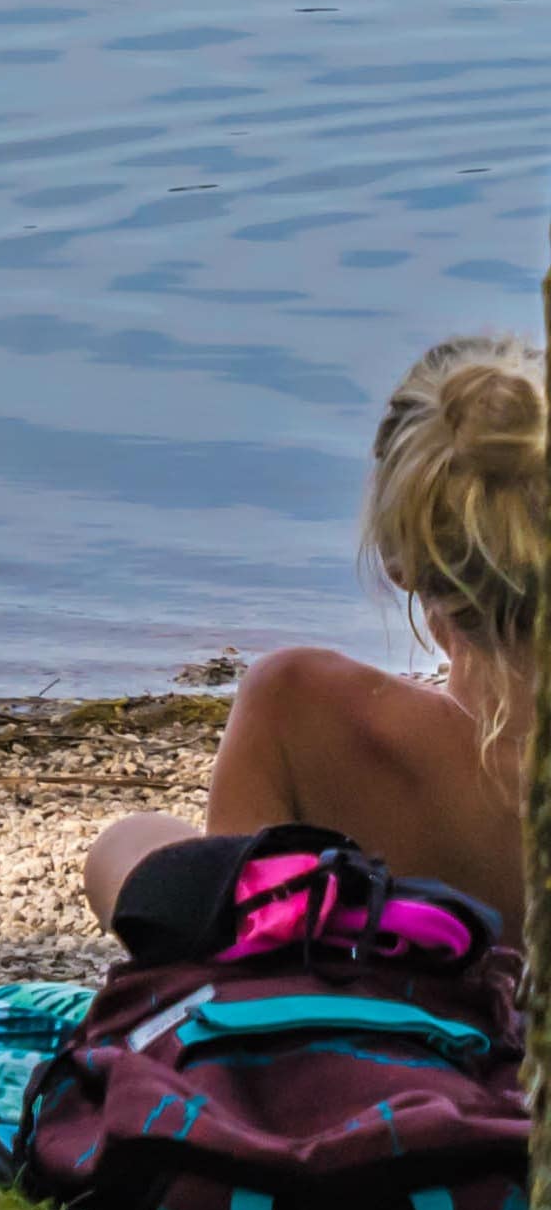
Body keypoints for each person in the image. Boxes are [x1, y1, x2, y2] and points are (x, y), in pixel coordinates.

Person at [86, 333, 540, 928]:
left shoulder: (302, 706)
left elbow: (237, 967)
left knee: (129, 845)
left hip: (379, 1003)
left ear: (399, 559)